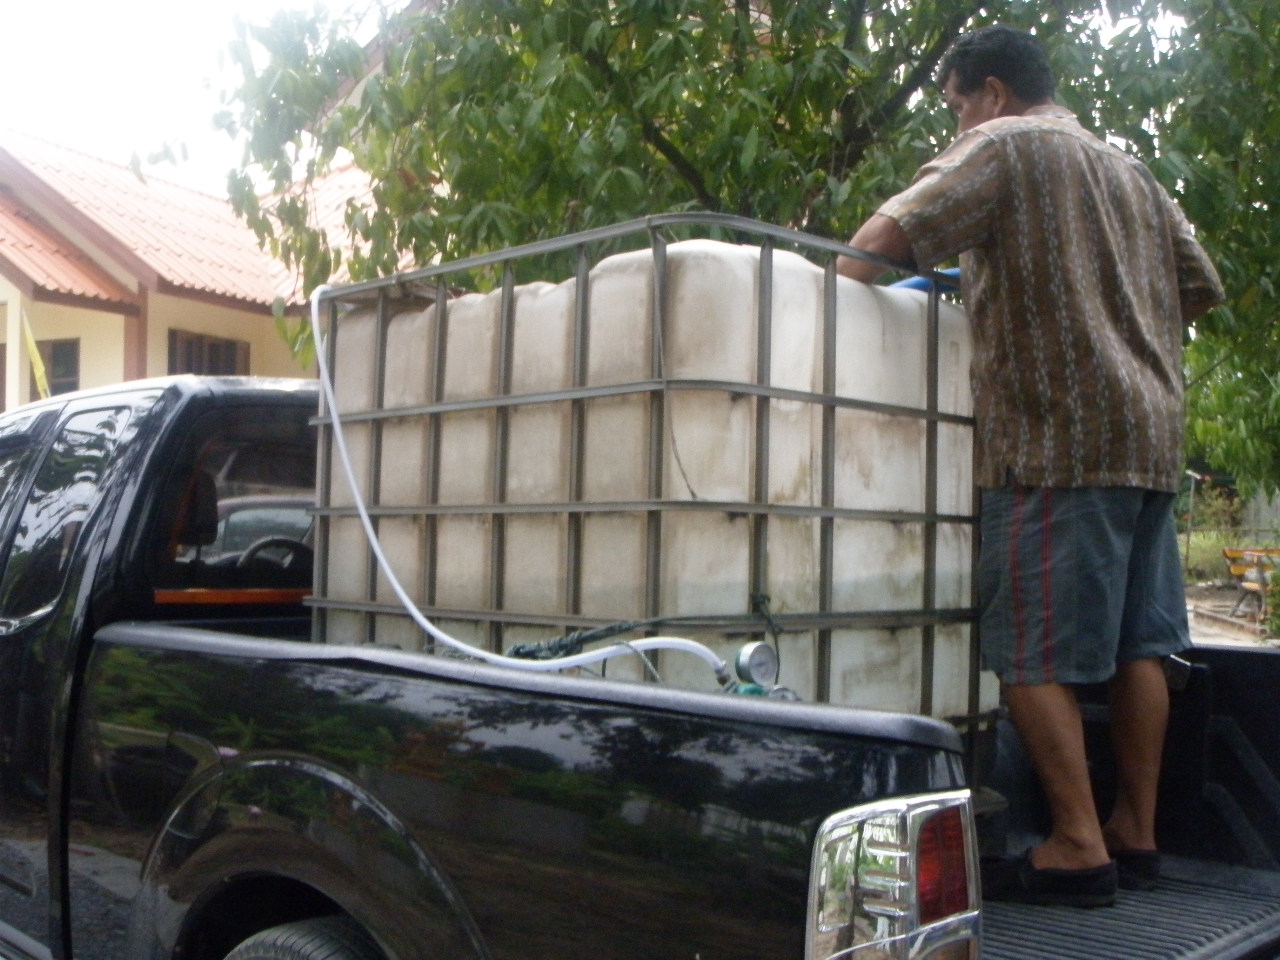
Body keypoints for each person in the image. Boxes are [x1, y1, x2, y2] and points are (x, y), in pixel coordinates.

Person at [837, 24, 1224, 907]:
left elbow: (870, 249)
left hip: (1056, 435)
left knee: (1027, 656)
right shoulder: (1129, 170)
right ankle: (1136, 828)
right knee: (1143, 647)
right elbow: (1196, 285)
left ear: (993, 94)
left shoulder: (1001, 147)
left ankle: (1079, 847)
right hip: (1152, 434)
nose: (955, 126)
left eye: (955, 107)